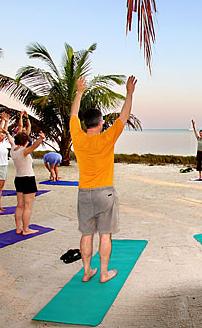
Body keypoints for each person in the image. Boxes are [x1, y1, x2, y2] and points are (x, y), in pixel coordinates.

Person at [70, 75, 137, 283]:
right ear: (100, 123)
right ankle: (104, 273)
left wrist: (79, 92)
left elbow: (73, 112)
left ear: (85, 124)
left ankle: (87, 270)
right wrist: (129, 93)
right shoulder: (107, 138)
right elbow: (124, 116)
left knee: (86, 234)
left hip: (84, 193)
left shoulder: (78, 137)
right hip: (105, 193)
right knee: (105, 234)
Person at [6, 128, 45, 235]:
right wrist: (41, 138)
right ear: (26, 142)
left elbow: (10, 140)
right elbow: (33, 147)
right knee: (27, 206)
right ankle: (26, 229)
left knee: (19, 206)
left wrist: (6, 132)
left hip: (18, 179)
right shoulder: (23, 152)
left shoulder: (13, 149)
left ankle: (19, 228)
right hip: (28, 179)